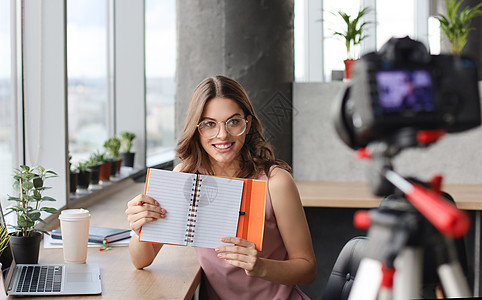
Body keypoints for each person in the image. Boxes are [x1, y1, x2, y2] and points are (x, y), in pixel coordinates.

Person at [125, 75, 316, 299]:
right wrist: (140, 228)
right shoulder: (187, 178)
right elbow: (141, 260)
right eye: (209, 124)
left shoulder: (276, 183)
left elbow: (308, 269)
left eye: (233, 121)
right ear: (197, 129)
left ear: (248, 124)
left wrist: (260, 267)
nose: (222, 135)